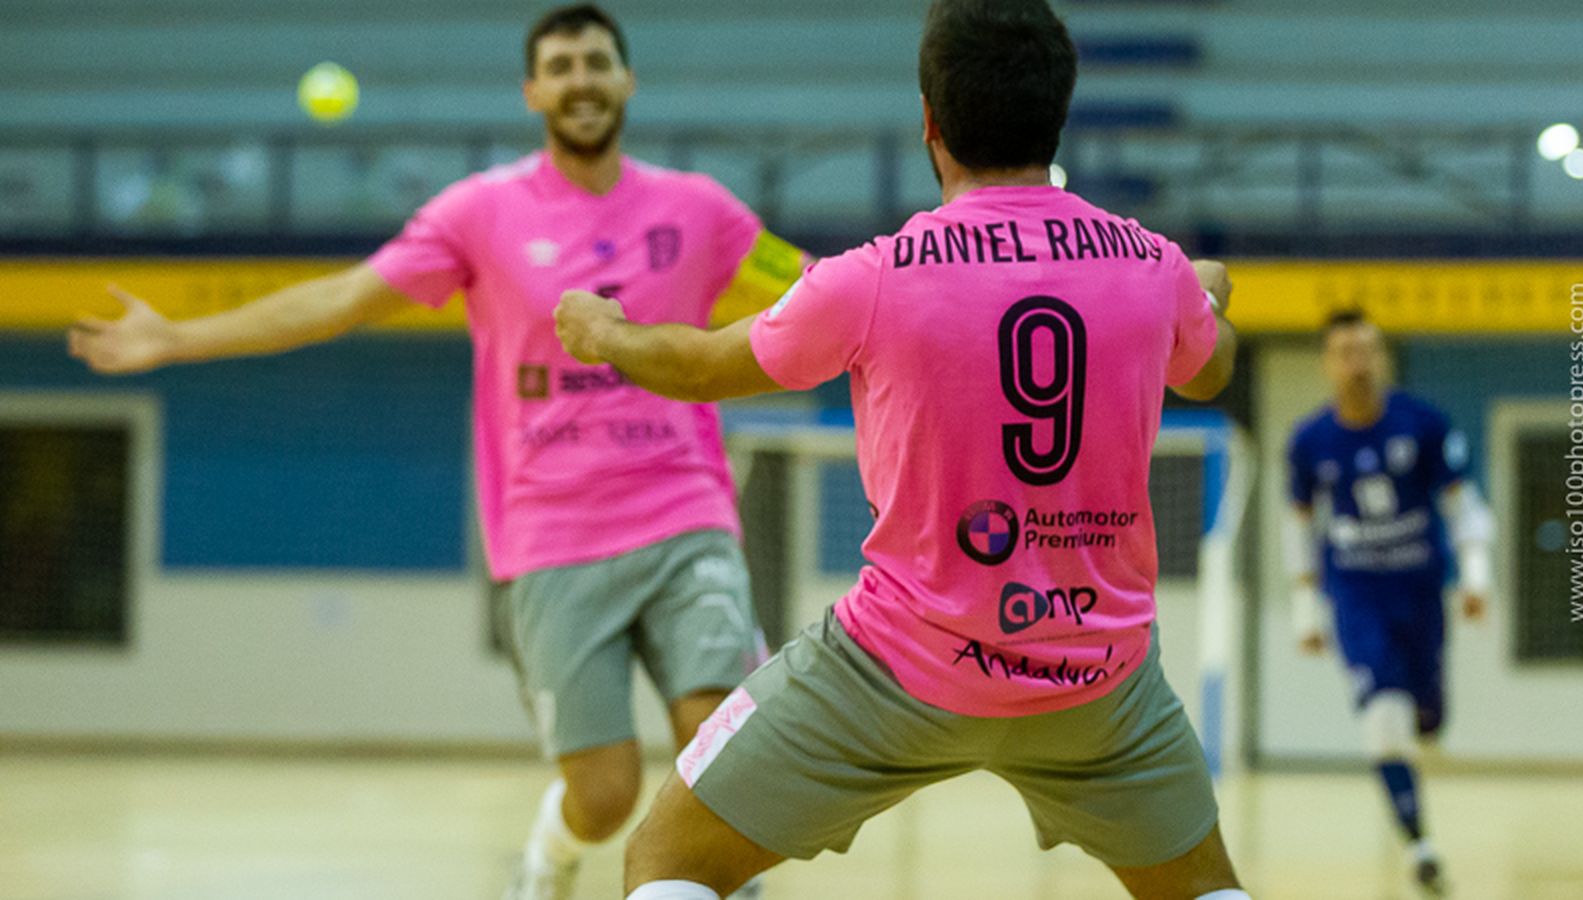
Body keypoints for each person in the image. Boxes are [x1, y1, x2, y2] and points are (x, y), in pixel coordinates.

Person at [66, 5, 804, 899]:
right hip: (552, 537)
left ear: (626, 80)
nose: (580, 80)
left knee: (721, 748)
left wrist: (922, 276)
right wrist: (178, 338)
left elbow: (810, 290)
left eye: (596, 62)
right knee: (604, 794)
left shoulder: (701, 210)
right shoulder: (479, 213)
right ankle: (550, 857)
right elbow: (341, 299)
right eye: (561, 66)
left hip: (686, 514)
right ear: (532, 91)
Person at [551, 2, 1252, 897]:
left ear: (930, 121)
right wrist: (1206, 294)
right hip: (1100, 682)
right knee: (1207, 887)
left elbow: (697, 368)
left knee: (668, 858)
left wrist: (605, 331)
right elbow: (1209, 371)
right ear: (1057, 112)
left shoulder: (875, 275)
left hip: (899, 667)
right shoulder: (1150, 264)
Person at [1284, 309, 1492, 896]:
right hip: (1356, 595)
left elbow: (1461, 502)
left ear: (1381, 357)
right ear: (1327, 363)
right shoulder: (1310, 440)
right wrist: (1304, 603)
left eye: (1367, 351)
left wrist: (1476, 575)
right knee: (1382, 717)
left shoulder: (1422, 424)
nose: (1358, 364)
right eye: (1345, 352)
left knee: (1426, 713)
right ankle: (1420, 845)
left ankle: (1429, 711)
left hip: (1420, 591)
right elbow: (1298, 523)